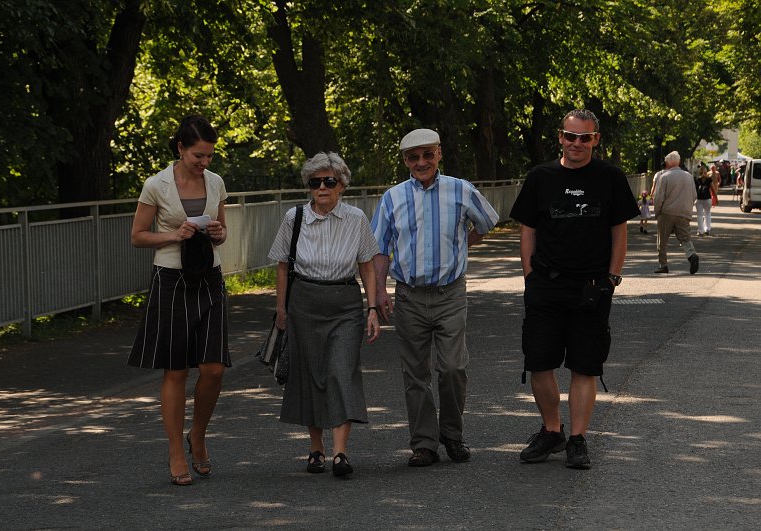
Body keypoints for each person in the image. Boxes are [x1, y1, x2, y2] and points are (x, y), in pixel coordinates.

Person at [509, 109, 639, 469]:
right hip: (546, 285)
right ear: (560, 137)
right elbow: (528, 229)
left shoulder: (610, 178)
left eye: (585, 137)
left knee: (585, 366)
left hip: (592, 287)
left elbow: (619, 230)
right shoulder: (541, 177)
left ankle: (578, 440)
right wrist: (529, 277)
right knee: (539, 362)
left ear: (596, 139)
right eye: (570, 136)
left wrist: (612, 278)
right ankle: (553, 431)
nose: (576, 143)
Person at [371, 128, 499, 467]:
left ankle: (453, 435)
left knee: (453, 367)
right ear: (405, 161)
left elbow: (486, 223)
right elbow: (379, 249)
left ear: (439, 154)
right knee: (415, 372)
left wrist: (461, 245)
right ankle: (424, 444)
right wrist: (379, 291)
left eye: (428, 154)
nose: (421, 162)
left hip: (450, 293)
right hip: (410, 296)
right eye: (414, 157)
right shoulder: (392, 198)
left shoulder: (461, 189)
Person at [127, 115, 230, 486]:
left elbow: (220, 232)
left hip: (209, 278)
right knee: (175, 371)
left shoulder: (216, 182)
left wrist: (218, 232)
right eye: (198, 156)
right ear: (180, 148)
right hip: (170, 279)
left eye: (209, 156)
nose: (205, 163)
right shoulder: (156, 185)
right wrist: (174, 234)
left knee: (214, 368)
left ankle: (198, 435)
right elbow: (138, 236)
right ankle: (175, 451)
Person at [268, 152, 380, 478]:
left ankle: (340, 453)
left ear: (342, 185)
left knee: (340, 372)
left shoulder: (356, 218)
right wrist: (280, 308)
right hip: (303, 302)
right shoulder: (295, 217)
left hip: (345, 302)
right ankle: (316, 448)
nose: (322, 187)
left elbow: (367, 265)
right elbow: (283, 265)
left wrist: (372, 308)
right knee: (310, 374)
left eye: (329, 181)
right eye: (315, 182)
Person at [653, 151, 699, 274]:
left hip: (667, 212)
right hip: (684, 212)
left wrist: (657, 211)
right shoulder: (688, 176)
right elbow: (694, 195)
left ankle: (663, 265)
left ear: (668, 163)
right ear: (678, 162)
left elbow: (659, 197)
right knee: (685, 238)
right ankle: (691, 255)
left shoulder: (664, 177)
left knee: (662, 240)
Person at [695, 166, 718, 236]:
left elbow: (694, 190)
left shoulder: (697, 180)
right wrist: (716, 198)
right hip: (707, 199)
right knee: (707, 214)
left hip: (699, 199)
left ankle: (701, 231)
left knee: (699, 215)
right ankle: (707, 229)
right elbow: (713, 189)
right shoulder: (709, 180)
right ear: (706, 172)